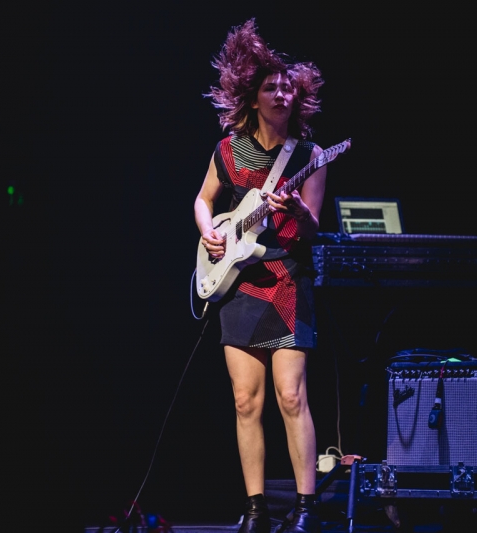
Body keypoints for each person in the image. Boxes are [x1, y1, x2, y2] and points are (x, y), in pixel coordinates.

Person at [193, 19, 326, 533]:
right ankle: (255, 510)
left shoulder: (311, 156)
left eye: (288, 85)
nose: (281, 92)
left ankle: (306, 509)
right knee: (246, 399)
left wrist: (295, 207)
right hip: (240, 279)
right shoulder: (229, 149)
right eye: (271, 85)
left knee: (291, 396)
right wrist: (210, 232)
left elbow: (313, 227)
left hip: (288, 277)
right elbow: (203, 200)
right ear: (252, 96)